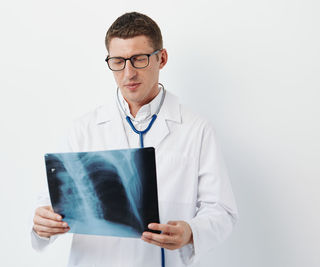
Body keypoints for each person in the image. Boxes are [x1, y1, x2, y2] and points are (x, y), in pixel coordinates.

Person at [31, 12, 238, 267]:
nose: (128, 73)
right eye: (118, 61)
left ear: (161, 58)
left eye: (138, 59)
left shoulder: (196, 129)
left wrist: (190, 232)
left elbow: (222, 211)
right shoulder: (83, 130)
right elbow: (49, 206)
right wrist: (43, 223)